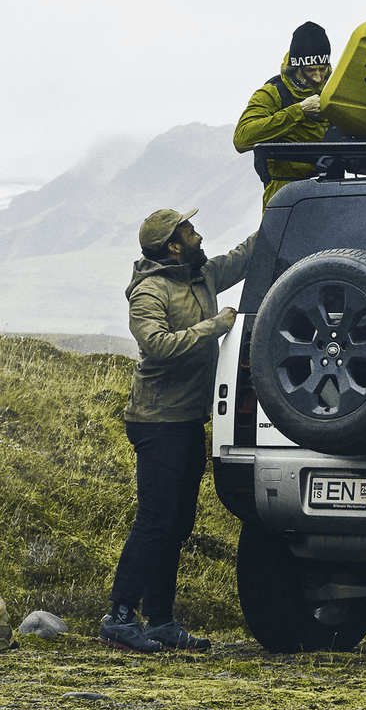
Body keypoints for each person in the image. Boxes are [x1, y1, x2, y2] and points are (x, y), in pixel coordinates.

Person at [100, 208, 257, 653]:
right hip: (156, 421)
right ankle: (119, 617)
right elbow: (158, 345)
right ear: (173, 245)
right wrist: (215, 326)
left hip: (188, 419)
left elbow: (244, 256)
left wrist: (282, 202)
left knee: (176, 524)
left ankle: (160, 620)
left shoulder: (202, 274)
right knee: (154, 521)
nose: (198, 235)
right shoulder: (149, 291)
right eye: (190, 231)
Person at [234, 21, 334, 209]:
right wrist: (299, 111)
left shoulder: (333, 89)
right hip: (284, 194)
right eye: (311, 70)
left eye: (323, 69)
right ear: (296, 68)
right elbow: (241, 139)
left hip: (330, 190)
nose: (318, 77)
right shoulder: (272, 94)